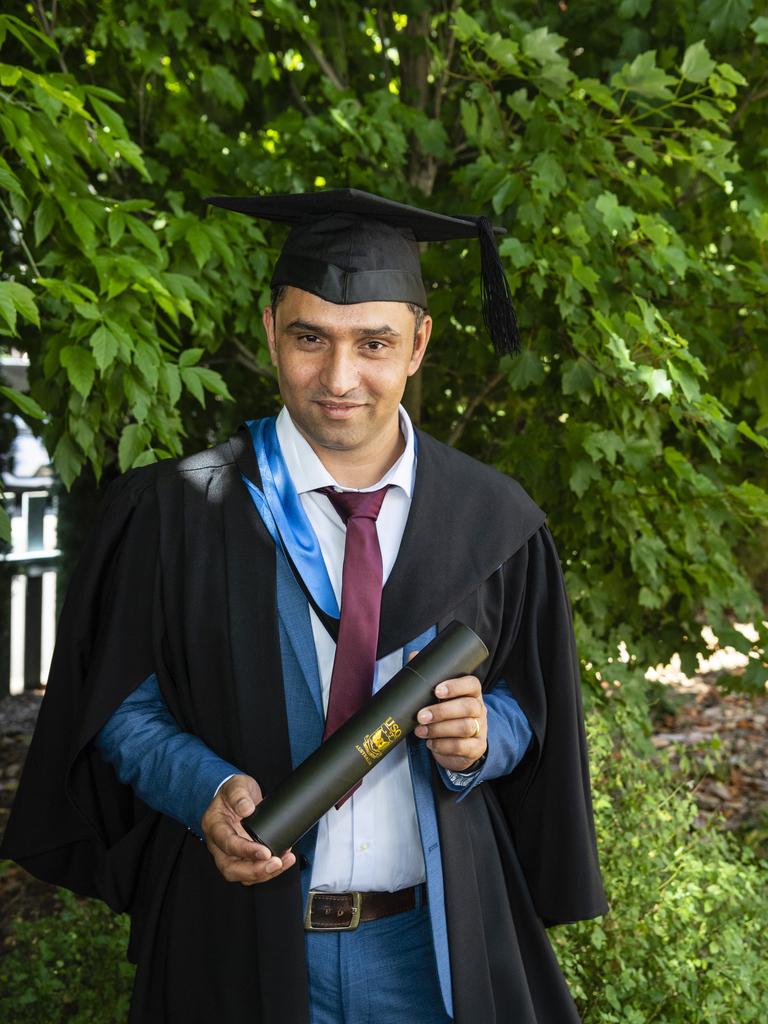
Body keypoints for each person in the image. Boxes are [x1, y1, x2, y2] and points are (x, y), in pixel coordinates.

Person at [1, 189, 607, 1023]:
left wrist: (482, 738)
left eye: (375, 343)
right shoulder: (179, 512)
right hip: (237, 945)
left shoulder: (492, 523)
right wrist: (202, 789)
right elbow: (117, 709)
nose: (339, 377)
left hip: (431, 953)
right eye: (310, 337)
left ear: (420, 344)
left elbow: (530, 710)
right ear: (270, 330)